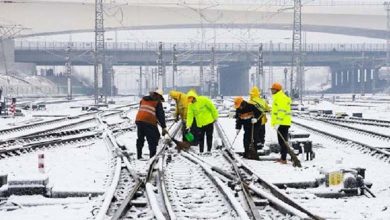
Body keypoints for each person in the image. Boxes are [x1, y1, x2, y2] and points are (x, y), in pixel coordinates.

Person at [135, 88, 168, 159]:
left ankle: (139, 156)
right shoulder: (157, 102)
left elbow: (145, 110)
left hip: (139, 120)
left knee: (140, 138)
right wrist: (163, 127)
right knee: (153, 139)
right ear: (158, 96)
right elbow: (160, 115)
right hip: (149, 122)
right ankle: (152, 157)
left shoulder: (143, 99)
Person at [270, 83, 292, 164]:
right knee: (281, 141)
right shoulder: (278, 97)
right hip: (281, 123)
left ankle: (284, 158)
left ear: (277, 90)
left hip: (282, 123)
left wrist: (278, 122)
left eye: (273, 89)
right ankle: (283, 157)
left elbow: (281, 111)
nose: (271, 90)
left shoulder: (281, 98)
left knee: (283, 141)